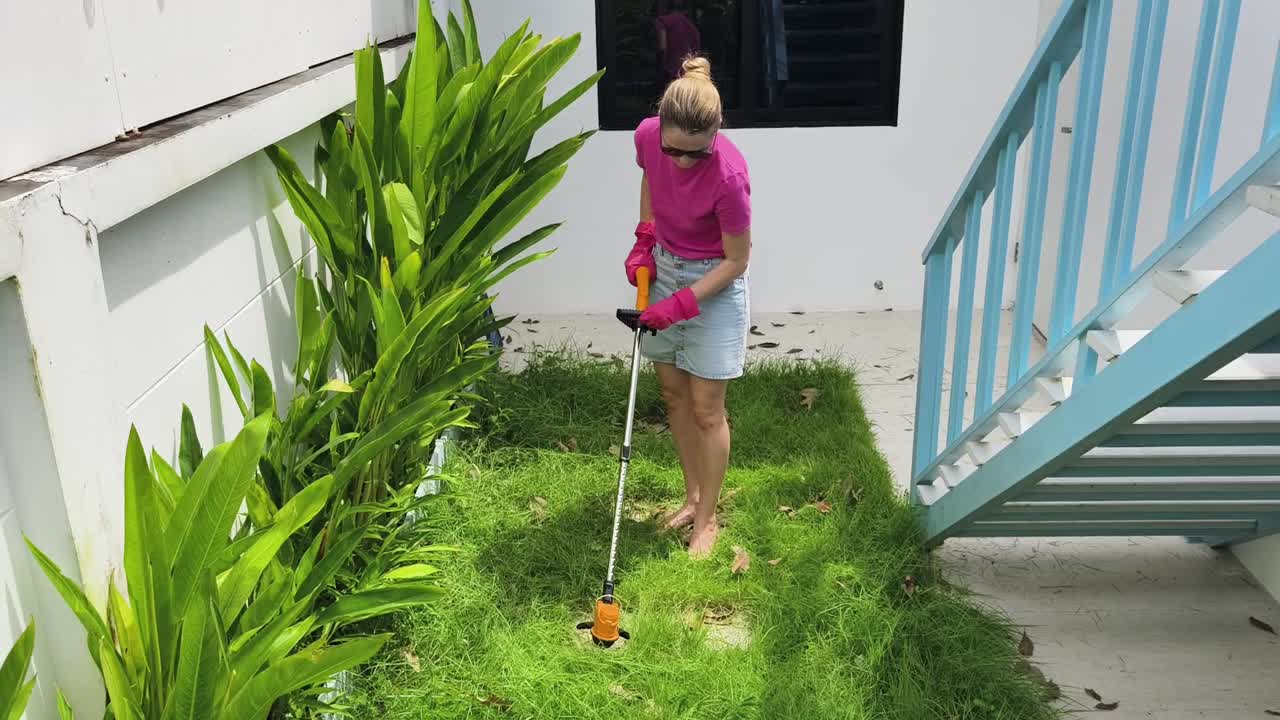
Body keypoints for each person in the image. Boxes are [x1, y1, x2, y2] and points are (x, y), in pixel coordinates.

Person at [626, 56, 751, 559]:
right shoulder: (648, 136)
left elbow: (738, 261)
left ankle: (708, 518)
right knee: (674, 395)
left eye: (692, 156)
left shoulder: (730, 176)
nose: (679, 161)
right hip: (665, 268)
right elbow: (652, 180)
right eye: (671, 150)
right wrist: (645, 235)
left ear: (715, 136)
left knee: (706, 409)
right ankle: (691, 496)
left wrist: (681, 303)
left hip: (712, 282)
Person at [655, 1, 702, 83]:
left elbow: (663, 47)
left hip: (670, 74)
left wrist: (660, 68)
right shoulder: (692, 27)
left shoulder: (662, 21)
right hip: (689, 74)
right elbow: (697, 53)